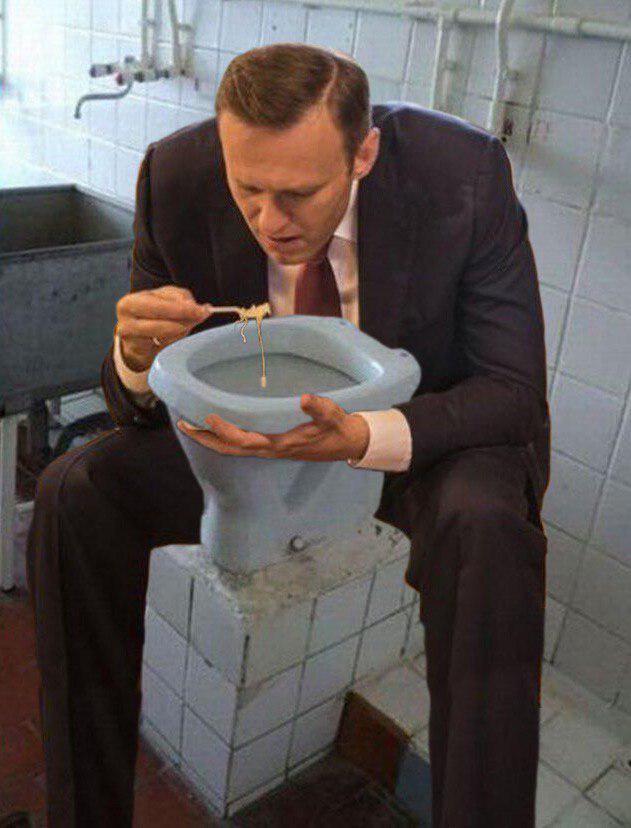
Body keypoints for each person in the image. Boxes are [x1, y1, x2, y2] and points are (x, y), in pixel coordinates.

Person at [25, 43, 550, 827]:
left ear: (362, 154)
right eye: (249, 190)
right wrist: (134, 361)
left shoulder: (462, 178)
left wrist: (363, 435)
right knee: (75, 492)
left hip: (405, 432)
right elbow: (137, 403)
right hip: (250, 444)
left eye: (300, 194)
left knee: (488, 524)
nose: (271, 223)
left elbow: (511, 394)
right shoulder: (175, 176)